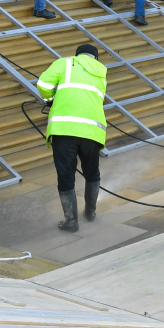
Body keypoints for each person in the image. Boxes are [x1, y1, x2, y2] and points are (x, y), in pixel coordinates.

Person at [36, 44, 109, 233]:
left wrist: (51, 99)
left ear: (77, 55)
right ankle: (90, 212)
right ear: (95, 58)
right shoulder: (101, 73)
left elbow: (43, 85)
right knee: (92, 172)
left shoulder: (65, 63)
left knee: (66, 175)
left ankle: (71, 221)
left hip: (65, 129)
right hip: (92, 131)